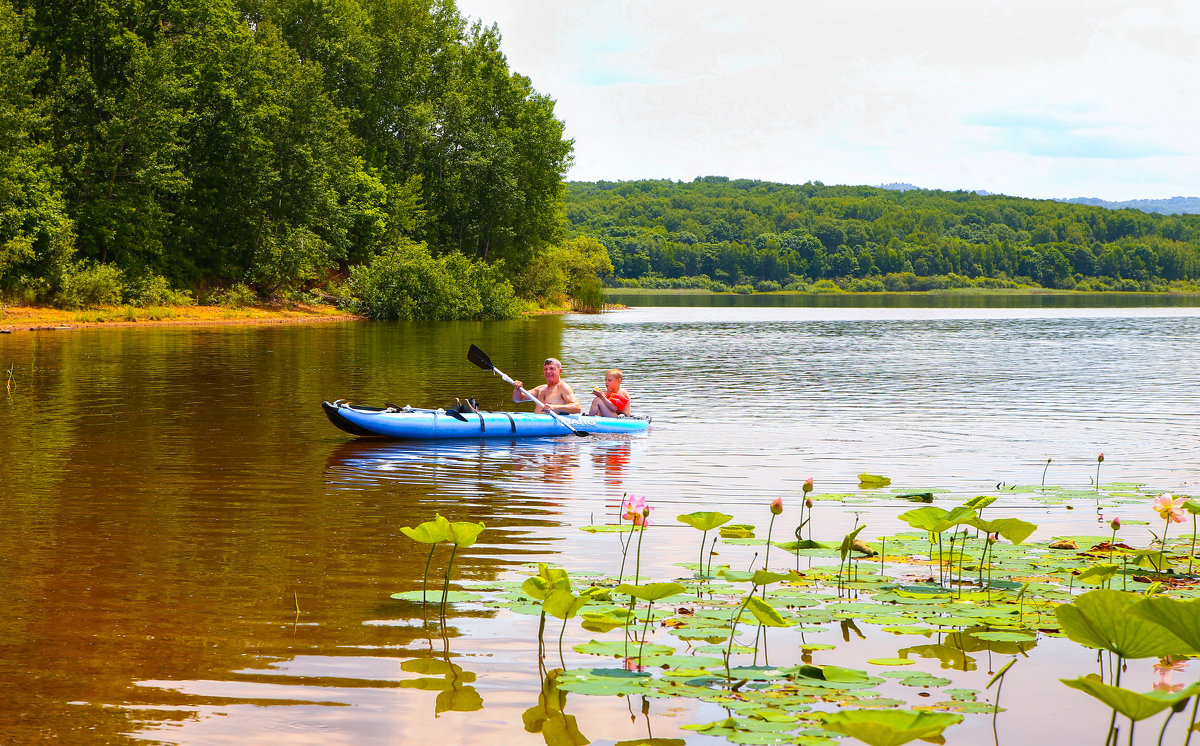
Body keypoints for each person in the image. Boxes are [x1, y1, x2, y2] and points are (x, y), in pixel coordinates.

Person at [512, 357, 581, 414]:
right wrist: (517, 389)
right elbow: (518, 399)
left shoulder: (563, 387)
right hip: (537, 425)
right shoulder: (540, 389)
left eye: (552, 369)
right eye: (546, 369)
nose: (548, 372)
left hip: (552, 427)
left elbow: (577, 408)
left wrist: (554, 407)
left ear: (560, 371)